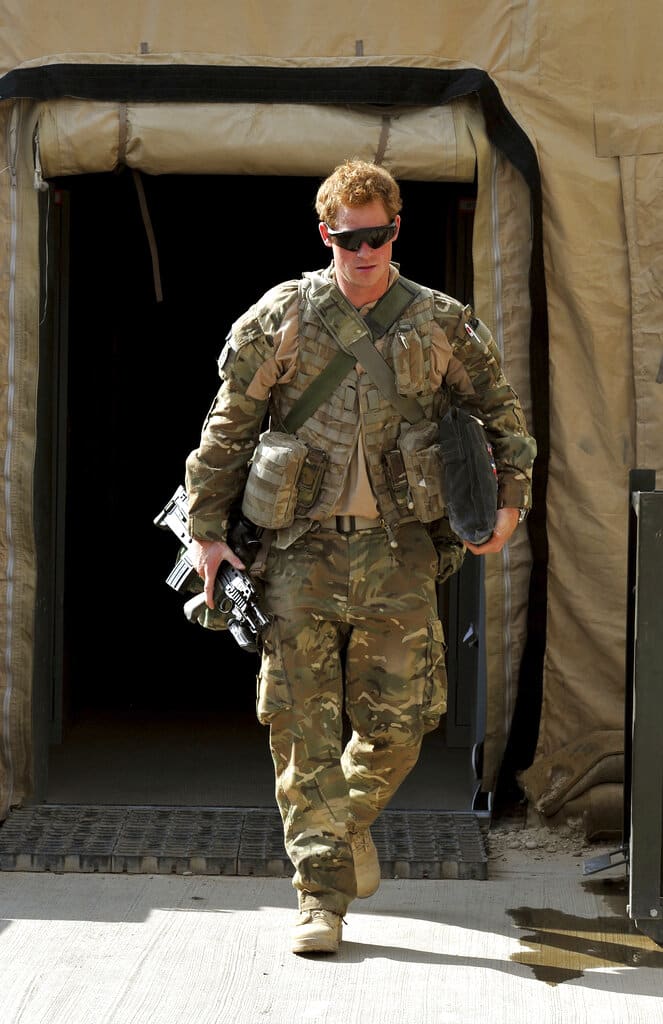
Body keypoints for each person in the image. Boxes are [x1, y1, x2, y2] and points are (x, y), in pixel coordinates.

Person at [184, 159, 536, 955]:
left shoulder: (440, 323)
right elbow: (227, 427)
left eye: (377, 236)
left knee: (401, 726)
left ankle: (339, 828)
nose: (365, 251)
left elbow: (502, 418)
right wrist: (206, 531)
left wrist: (508, 504)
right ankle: (320, 898)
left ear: (396, 230)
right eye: (350, 239)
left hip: (398, 552)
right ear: (326, 236)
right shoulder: (283, 317)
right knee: (300, 728)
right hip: (297, 555)